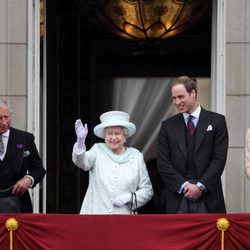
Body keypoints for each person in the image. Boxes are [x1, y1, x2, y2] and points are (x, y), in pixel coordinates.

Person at [157, 76, 228, 214]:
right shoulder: (167, 126)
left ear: (193, 93)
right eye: (174, 98)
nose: (177, 102)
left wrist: (200, 187)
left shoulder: (217, 121)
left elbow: (219, 159)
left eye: (181, 97)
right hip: (178, 198)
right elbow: (163, 162)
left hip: (209, 197)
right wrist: (184, 186)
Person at [72, 111, 153, 214]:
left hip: (122, 220)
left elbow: (147, 190)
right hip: (95, 218)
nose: (113, 138)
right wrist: (80, 142)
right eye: (109, 133)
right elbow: (82, 162)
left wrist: (130, 198)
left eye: (117, 133)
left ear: (125, 136)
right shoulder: (97, 151)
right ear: (104, 136)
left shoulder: (136, 157)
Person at [0, 98, 46, 213]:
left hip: (17, 203)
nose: (4, 122)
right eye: (0, 118)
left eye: (7, 117)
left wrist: (29, 179)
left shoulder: (25, 139)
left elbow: (39, 169)